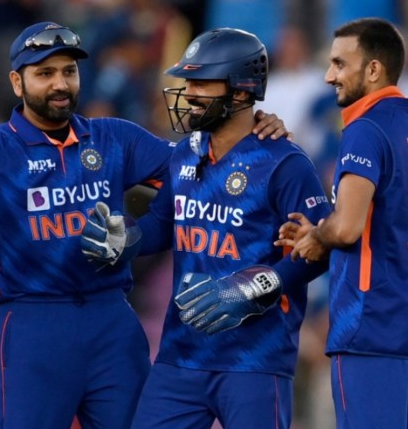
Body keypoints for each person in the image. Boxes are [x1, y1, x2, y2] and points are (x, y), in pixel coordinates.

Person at [0, 21, 289, 429]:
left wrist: (250, 128)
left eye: (69, 71)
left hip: (111, 318)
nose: (60, 84)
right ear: (16, 83)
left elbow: (204, 169)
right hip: (33, 323)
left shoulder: (112, 138)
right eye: (45, 73)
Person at [82, 28, 331, 429]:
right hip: (181, 353)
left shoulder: (286, 164)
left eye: (201, 83)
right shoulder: (186, 152)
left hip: (255, 357)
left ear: (241, 90)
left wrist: (251, 289)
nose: (189, 93)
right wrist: (127, 238)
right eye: (188, 82)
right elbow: (164, 222)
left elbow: (318, 251)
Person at [275, 18, 408, 429]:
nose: (329, 76)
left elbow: (348, 227)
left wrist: (318, 235)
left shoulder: (364, 128)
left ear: (373, 69)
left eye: (339, 64)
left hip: (371, 332)